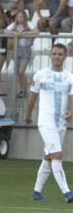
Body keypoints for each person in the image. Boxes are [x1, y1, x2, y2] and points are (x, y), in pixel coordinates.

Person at [25, 43, 73, 203]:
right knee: (58, 154)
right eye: (54, 54)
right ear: (50, 55)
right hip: (45, 122)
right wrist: (28, 115)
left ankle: (36, 192)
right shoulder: (40, 75)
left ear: (64, 56)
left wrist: (72, 111)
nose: (56, 57)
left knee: (49, 157)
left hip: (61, 123)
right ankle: (67, 193)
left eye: (60, 54)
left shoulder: (69, 77)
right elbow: (32, 96)